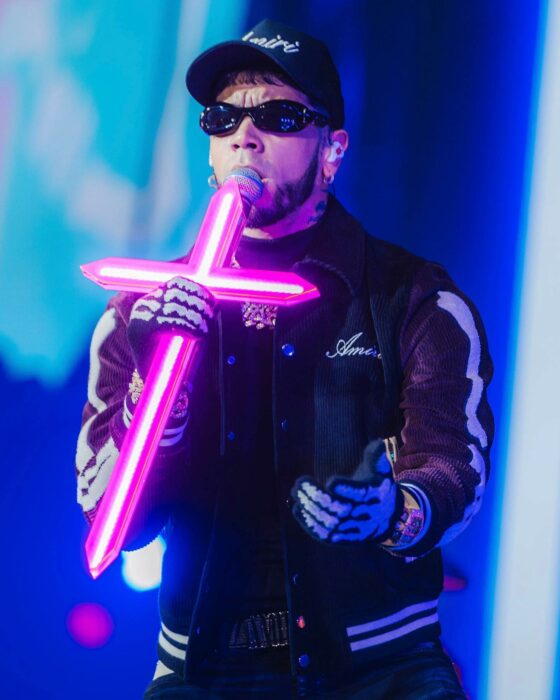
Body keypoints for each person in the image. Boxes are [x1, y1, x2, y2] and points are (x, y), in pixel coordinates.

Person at [75, 18, 493, 699]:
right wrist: (159, 391)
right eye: (222, 116)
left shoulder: (413, 299)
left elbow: (454, 467)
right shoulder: (137, 315)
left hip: (377, 667)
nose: (245, 134)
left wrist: (393, 508)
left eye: (279, 115)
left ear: (332, 150)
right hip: (202, 669)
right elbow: (115, 523)